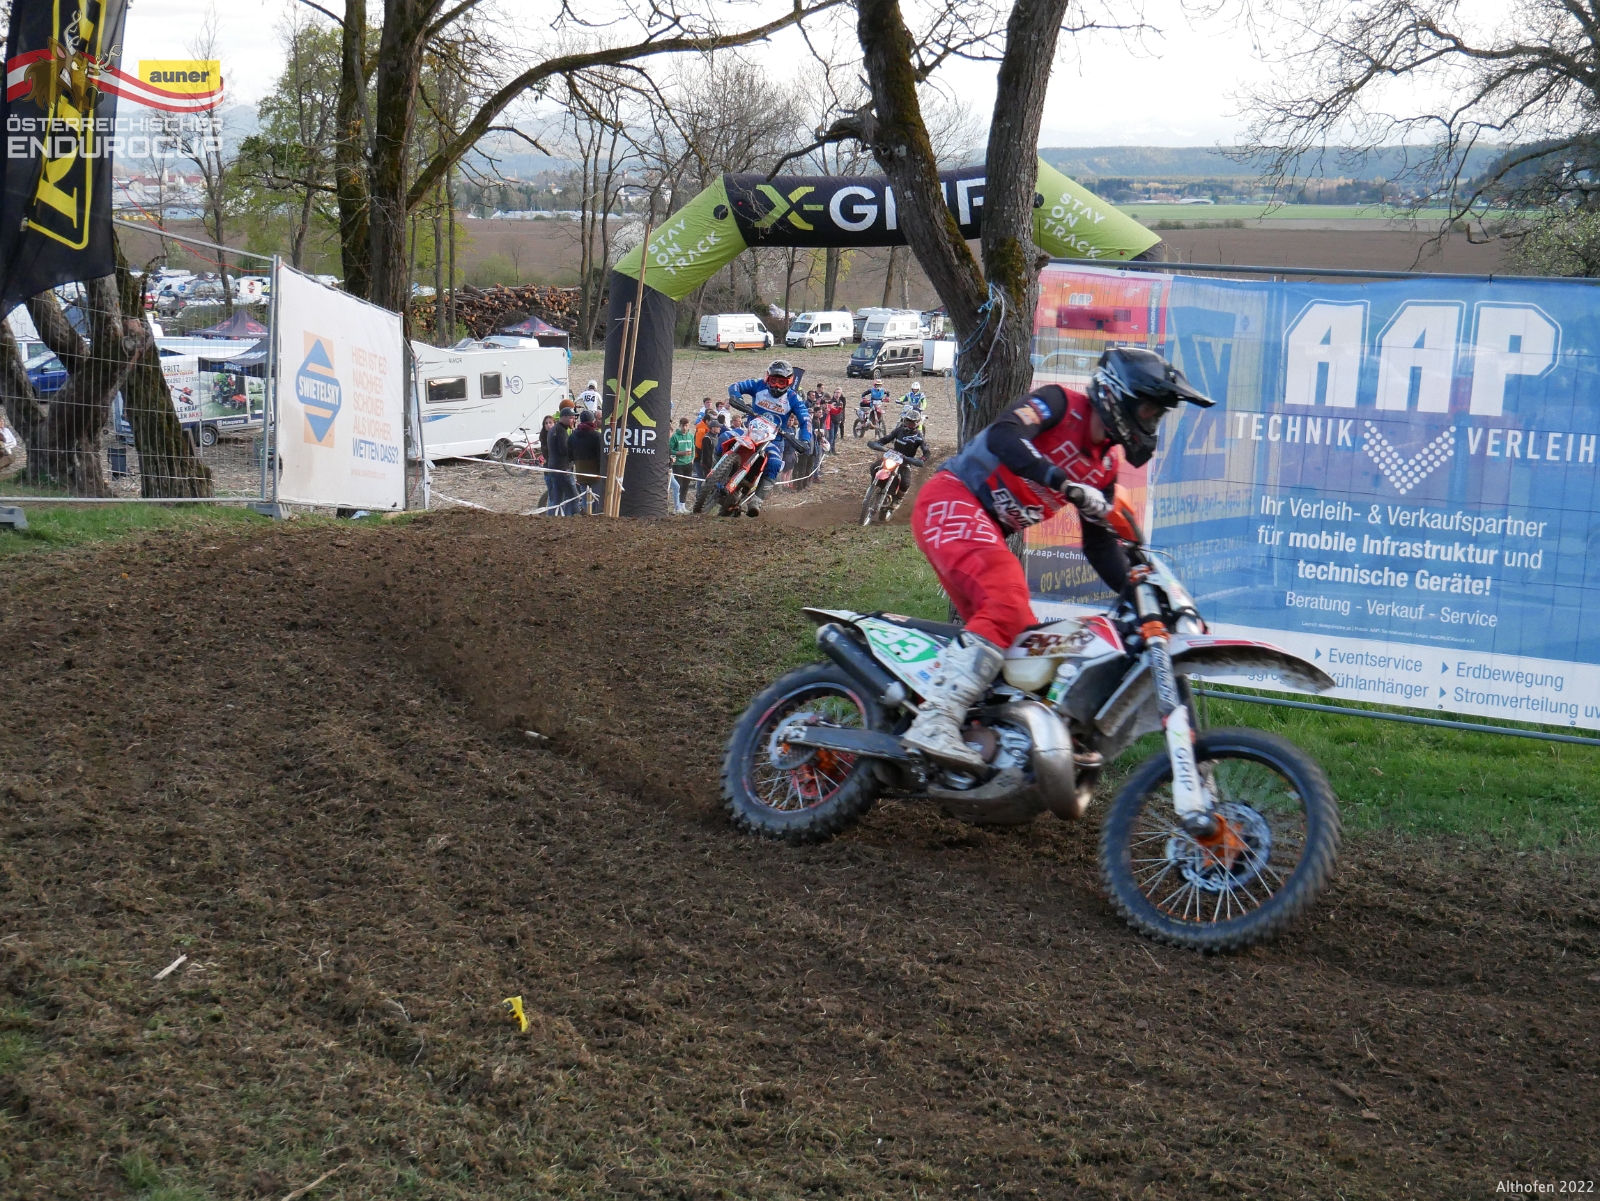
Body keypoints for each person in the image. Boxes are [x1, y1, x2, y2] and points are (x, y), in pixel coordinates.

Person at [903, 347, 1214, 767]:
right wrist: (1062, 482)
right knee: (1007, 601)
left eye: (1157, 416)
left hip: (983, 525)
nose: (1151, 422)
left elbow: (1099, 546)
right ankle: (934, 721)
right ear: (1119, 395)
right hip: (952, 497)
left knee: (1023, 647)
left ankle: (973, 749)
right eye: (1148, 411)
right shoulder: (1060, 404)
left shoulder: (1104, 469)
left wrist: (1139, 593)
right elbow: (1003, 436)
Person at [723, 358, 811, 517]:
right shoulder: (759, 385)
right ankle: (716, 474)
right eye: (773, 380)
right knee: (724, 437)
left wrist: (805, 440)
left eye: (781, 382)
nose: (776, 386)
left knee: (775, 463)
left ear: (789, 382)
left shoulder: (793, 398)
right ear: (767, 378)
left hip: (772, 440)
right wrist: (737, 397)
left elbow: (806, 421)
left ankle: (757, 500)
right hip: (749, 432)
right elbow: (735, 386)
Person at [866, 411, 929, 513]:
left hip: (905, 461)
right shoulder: (899, 430)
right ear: (904, 420)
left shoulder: (919, 437)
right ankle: (873, 487)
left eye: (912, 423)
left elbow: (926, 451)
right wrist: (878, 443)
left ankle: (898, 499)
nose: (909, 425)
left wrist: (922, 459)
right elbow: (887, 438)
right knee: (874, 467)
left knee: (905, 482)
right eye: (908, 421)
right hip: (892, 456)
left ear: (917, 423)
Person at [567, 410, 603, 514]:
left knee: (585, 500)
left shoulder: (573, 436)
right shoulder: (597, 436)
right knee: (596, 499)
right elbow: (600, 456)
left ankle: (586, 518)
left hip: (580, 472)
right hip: (595, 474)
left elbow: (570, 456)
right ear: (593, 421)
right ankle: (595, 517)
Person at [545, 408, 577, 515]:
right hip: (563, 470)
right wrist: (573, 453)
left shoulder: (553, 429)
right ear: (564, 418)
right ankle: (574, 519)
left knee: (557, 499)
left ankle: (552, 519)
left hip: (553, 468)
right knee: (574, 497)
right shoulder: (561, 431)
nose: (574, 420)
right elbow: (564, 451)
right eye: (571, 418)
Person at [668, 416, 695, 513]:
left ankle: (683, 504)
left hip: (688, 463)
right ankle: (677, 506)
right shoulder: (675, 437)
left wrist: (692, 458)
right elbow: (669, 449)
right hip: (678, 464)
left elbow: (693, 448)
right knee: (679, 484)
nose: (685, 428)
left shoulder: (691, 436)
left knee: (686, 485)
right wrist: (680, 453)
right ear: (680, 426)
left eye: (686, 425)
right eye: (683, 426)